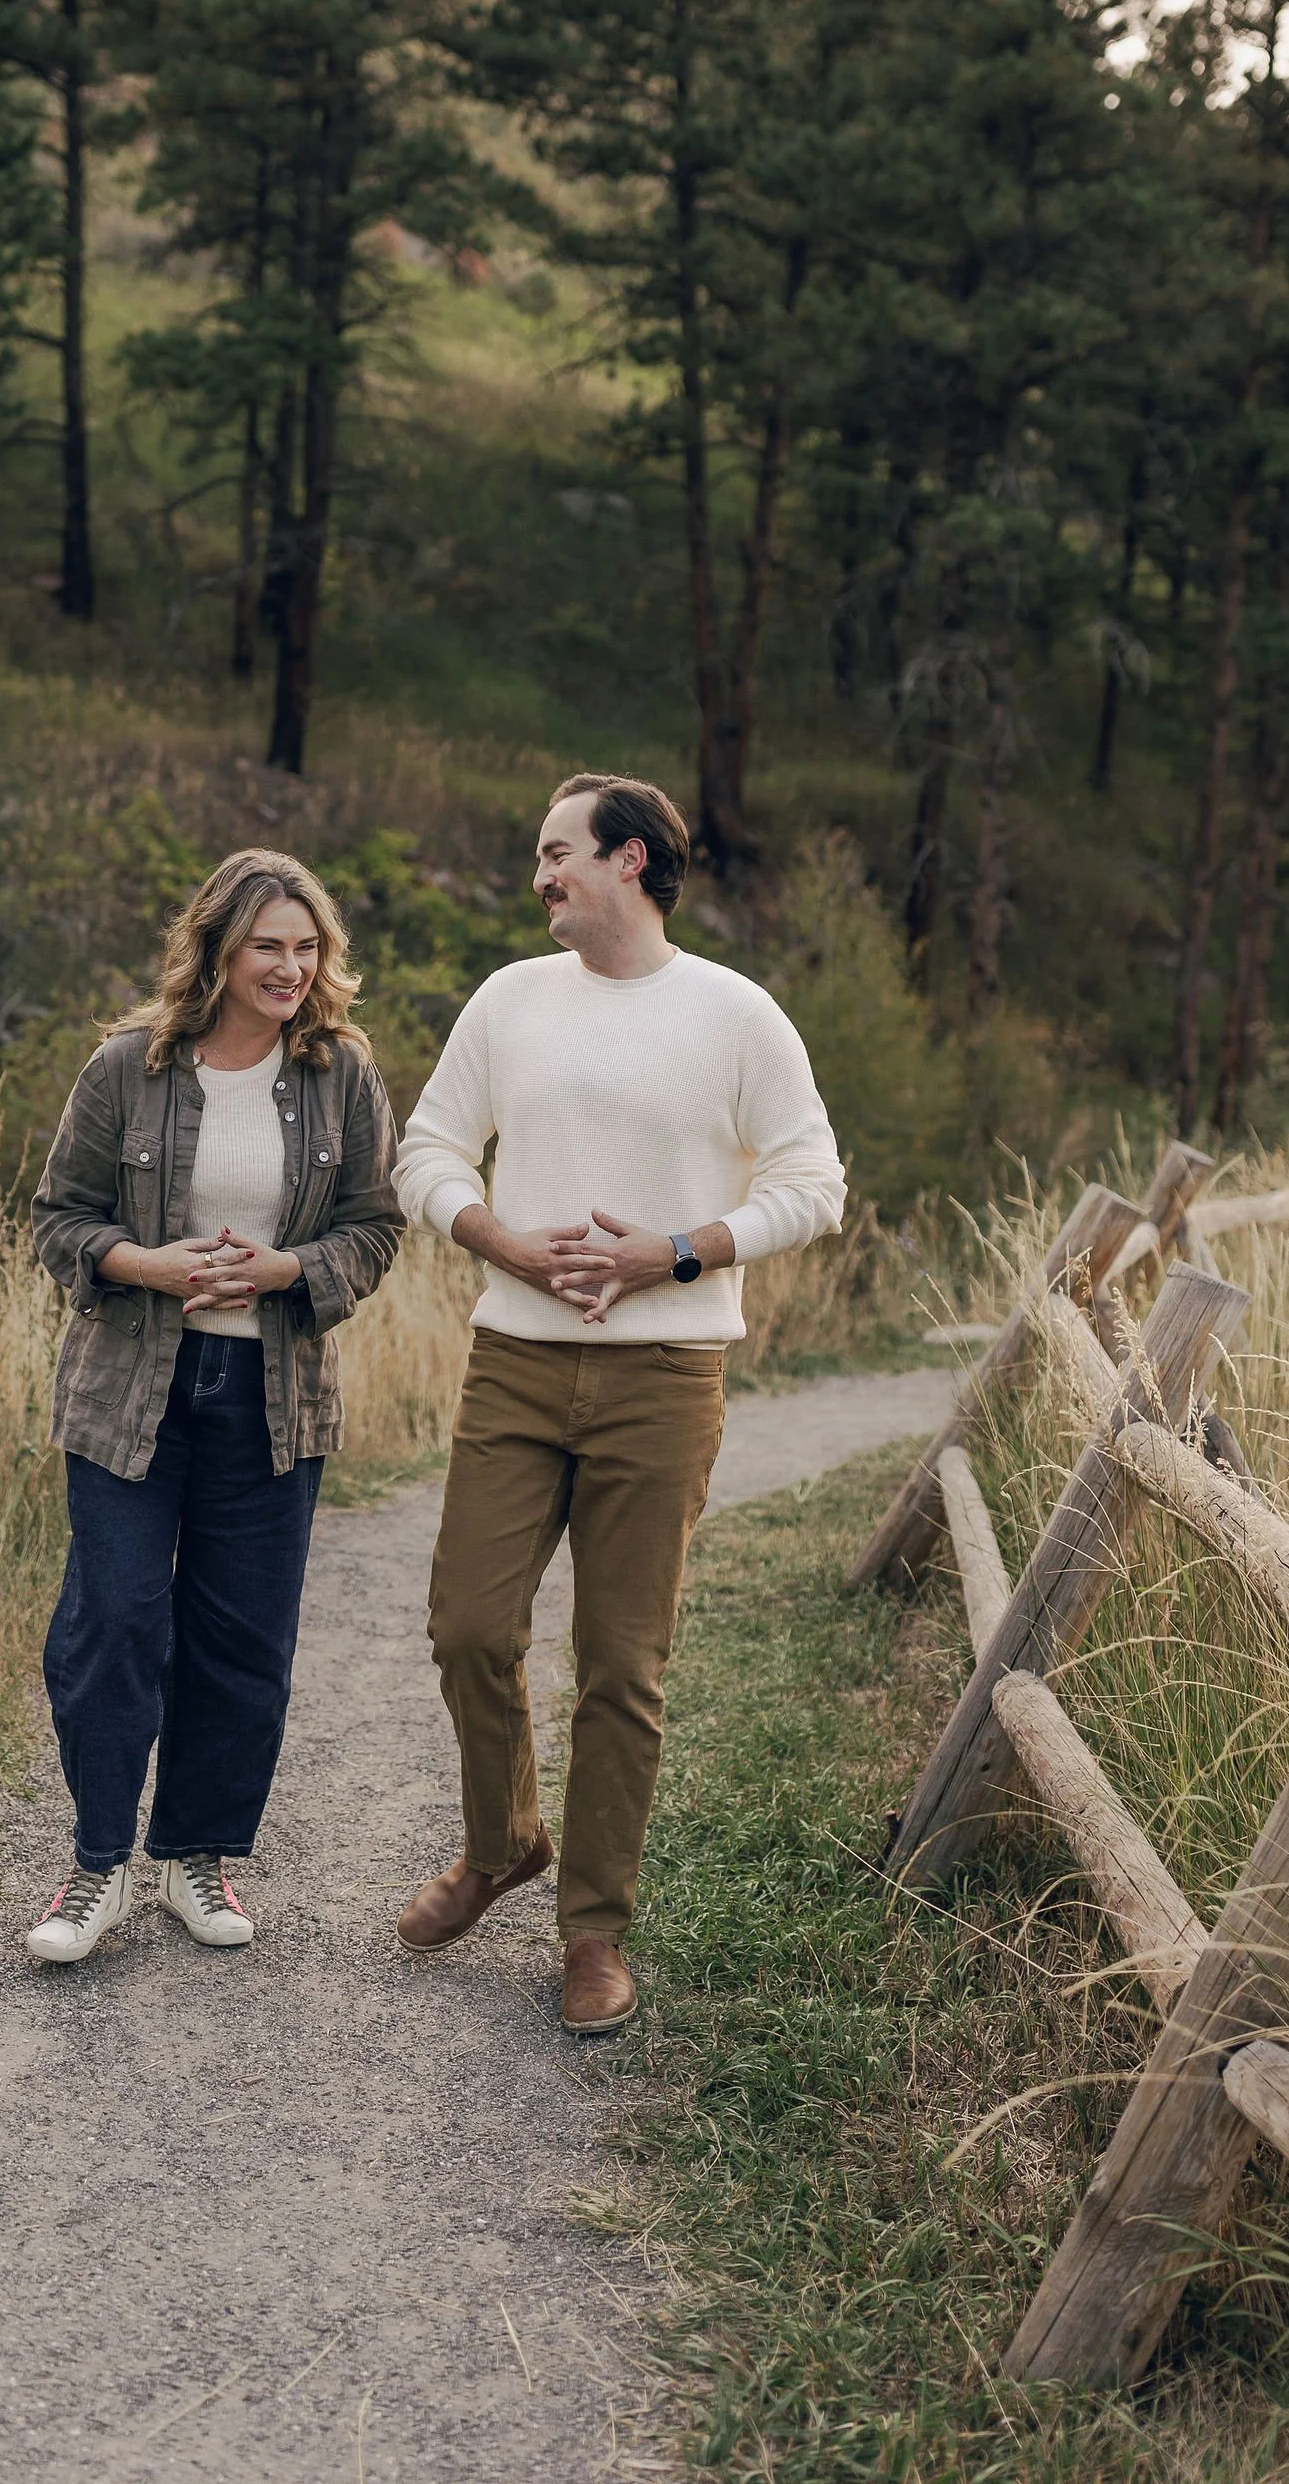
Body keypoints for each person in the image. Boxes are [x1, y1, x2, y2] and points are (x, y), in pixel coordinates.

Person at [392, 773, 845, 2033]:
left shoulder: (735, 1015)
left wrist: (677, 1251)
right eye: (537, 856)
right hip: (516, 1360)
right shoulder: (508, 1001)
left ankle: (592, 1931)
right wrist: (501, 1241)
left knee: (620, 1667)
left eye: (557, 854)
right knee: (470, 1627)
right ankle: (501, 1846)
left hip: (664, 1376)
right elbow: (423, 1151)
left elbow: (813, 1186)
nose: (538, 877)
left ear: (630, 862)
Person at [27, 847, 403, 1962]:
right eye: (266, 947)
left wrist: (288, 1274)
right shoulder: (125, 1069)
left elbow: (376, 1228)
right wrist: (147, 1266)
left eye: (306, 947)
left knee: (242, 1640)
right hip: (130, 1392)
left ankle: (197, 1857)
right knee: (115, 1626)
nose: (289, 967)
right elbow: (57, 1221)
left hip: (270, 1397)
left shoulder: (342, 1072)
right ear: (219, 952)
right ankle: (94, 1868)